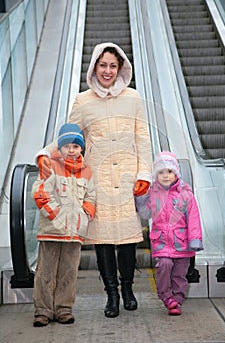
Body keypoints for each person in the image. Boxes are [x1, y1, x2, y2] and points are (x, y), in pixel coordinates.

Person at [39, 42, 152, 318]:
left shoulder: (134, 98)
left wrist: (144, 174)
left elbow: (143, 138)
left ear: (120, 68)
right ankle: (111, 294)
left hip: (126, 178)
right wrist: (45, 154)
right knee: (102, 239)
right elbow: (68, 137)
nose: (108, 70)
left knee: (127, 239)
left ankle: (128, 289)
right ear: (94, 67)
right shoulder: (83, 101)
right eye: (103, 65)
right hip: (97, 179)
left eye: (113, 65)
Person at [32, 123, 96, 327]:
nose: (71, 150)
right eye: (67, 146)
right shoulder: (50, 166)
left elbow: (91, 196)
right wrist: (56, 215)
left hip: (75, 232)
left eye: (76, 146)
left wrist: (85, 214)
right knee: (46, 272)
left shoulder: (87, 172)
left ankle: (64, 309)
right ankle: (43, 310)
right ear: (59, 148)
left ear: (81, 149)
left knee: (69, 271)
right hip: (52, 231)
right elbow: (41, 193)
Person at [135, 151, 203, 315]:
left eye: (169, 172)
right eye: (161, 172)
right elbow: (145, 214)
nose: (166, 176)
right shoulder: (154, 194)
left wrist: (195, 239)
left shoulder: (186, 195)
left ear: (176, 173)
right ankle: (166, 296)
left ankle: (177, 300)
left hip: (182, 243)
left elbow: (193, 218)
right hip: (162, 242)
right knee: (164, 266)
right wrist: (141, 198)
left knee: (180, 273)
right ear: (156, 175)